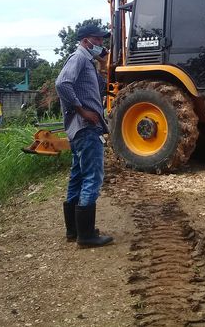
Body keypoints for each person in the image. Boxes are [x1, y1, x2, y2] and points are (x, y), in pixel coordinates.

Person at [55, 24, 113, 248]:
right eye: (98, 40)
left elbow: (99, 89)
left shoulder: (88, 62)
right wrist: (82, 110)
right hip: (85, 128)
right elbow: (62, 84)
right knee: (92, 177)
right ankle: (86, 236)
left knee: (78, 176)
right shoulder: (78, 58)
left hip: (81, 129)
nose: (101, 44)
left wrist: (102, 65)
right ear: (86, 40)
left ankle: (75, 230)